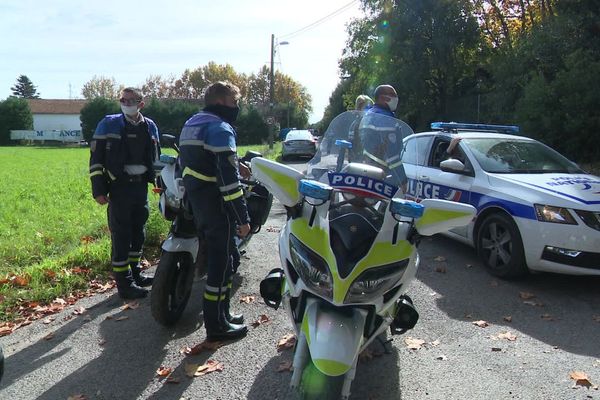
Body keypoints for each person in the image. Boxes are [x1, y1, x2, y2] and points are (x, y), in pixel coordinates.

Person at [178, 81, 251, 342]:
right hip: (218, 204)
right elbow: (229, 182)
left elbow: (196, 161)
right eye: (234, 102)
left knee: (226, 260)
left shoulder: (192, 124)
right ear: (221, 102)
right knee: (222, 265)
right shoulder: (220, 128)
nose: (237, 107)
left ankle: (223, 314)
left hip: (198, 202)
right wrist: (242, 218)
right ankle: (216, 325)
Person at [89, 87, 160, 299]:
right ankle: (124, 284)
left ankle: (135, 273)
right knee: (121, 236)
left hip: (141, 187)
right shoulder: (108, 123)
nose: (127, 103)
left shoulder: (150, 126)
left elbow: (156, 158)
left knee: (138, 232)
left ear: (141, 103)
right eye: (123, 99)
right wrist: (98, 189)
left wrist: (161, 182)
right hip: (119, 187)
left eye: (131, 100)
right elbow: (96, 159)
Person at [359, 84, 408, 192]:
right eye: (392, 95)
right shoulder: (385, 118)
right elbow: (391, 154)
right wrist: (402, 180)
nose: (396, 98)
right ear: (382, 97)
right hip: (381, 175)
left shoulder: (369, 115)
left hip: (365, 169)